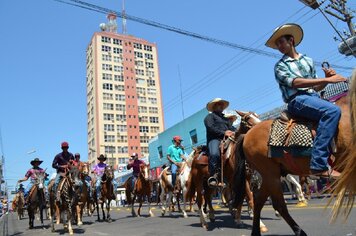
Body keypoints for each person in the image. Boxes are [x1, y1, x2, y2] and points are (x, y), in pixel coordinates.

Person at [265, 23, 347, 179]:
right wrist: (329, 80)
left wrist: (327, 79)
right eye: (277, 44)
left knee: (342, 111)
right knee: (332, 111)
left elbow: (316, 86)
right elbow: (295, 82)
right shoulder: (280, 66)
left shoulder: (308, 60)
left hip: (313, 97)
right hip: (297, 100)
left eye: (282, 42)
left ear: (291, 40)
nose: (280, 46)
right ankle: (319, 164)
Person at [204, 98, 236, 187]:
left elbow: (232, 127)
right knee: (215, 154)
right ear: (214, 106)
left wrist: (235, 132)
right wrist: (224, 132)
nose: (221, 106)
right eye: (219, 104)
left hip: (227, 139)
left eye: (222, 105)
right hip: (214, 139)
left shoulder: (225, 118)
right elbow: (210, 128)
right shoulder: (209, 117)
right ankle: (213, 175)